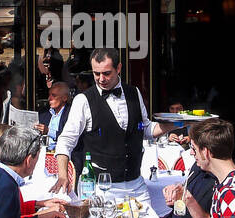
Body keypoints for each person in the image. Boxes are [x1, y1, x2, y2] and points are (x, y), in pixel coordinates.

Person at [53, 48, 177, 203]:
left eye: (106, 73)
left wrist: (177, 123)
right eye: (96, 73)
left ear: (118, 68)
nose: (101, 79)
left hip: (136, 186)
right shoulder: (83, 100)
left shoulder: (134, 92)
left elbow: (146, 129)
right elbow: (65, 141)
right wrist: (63, 175)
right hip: (99, 188)